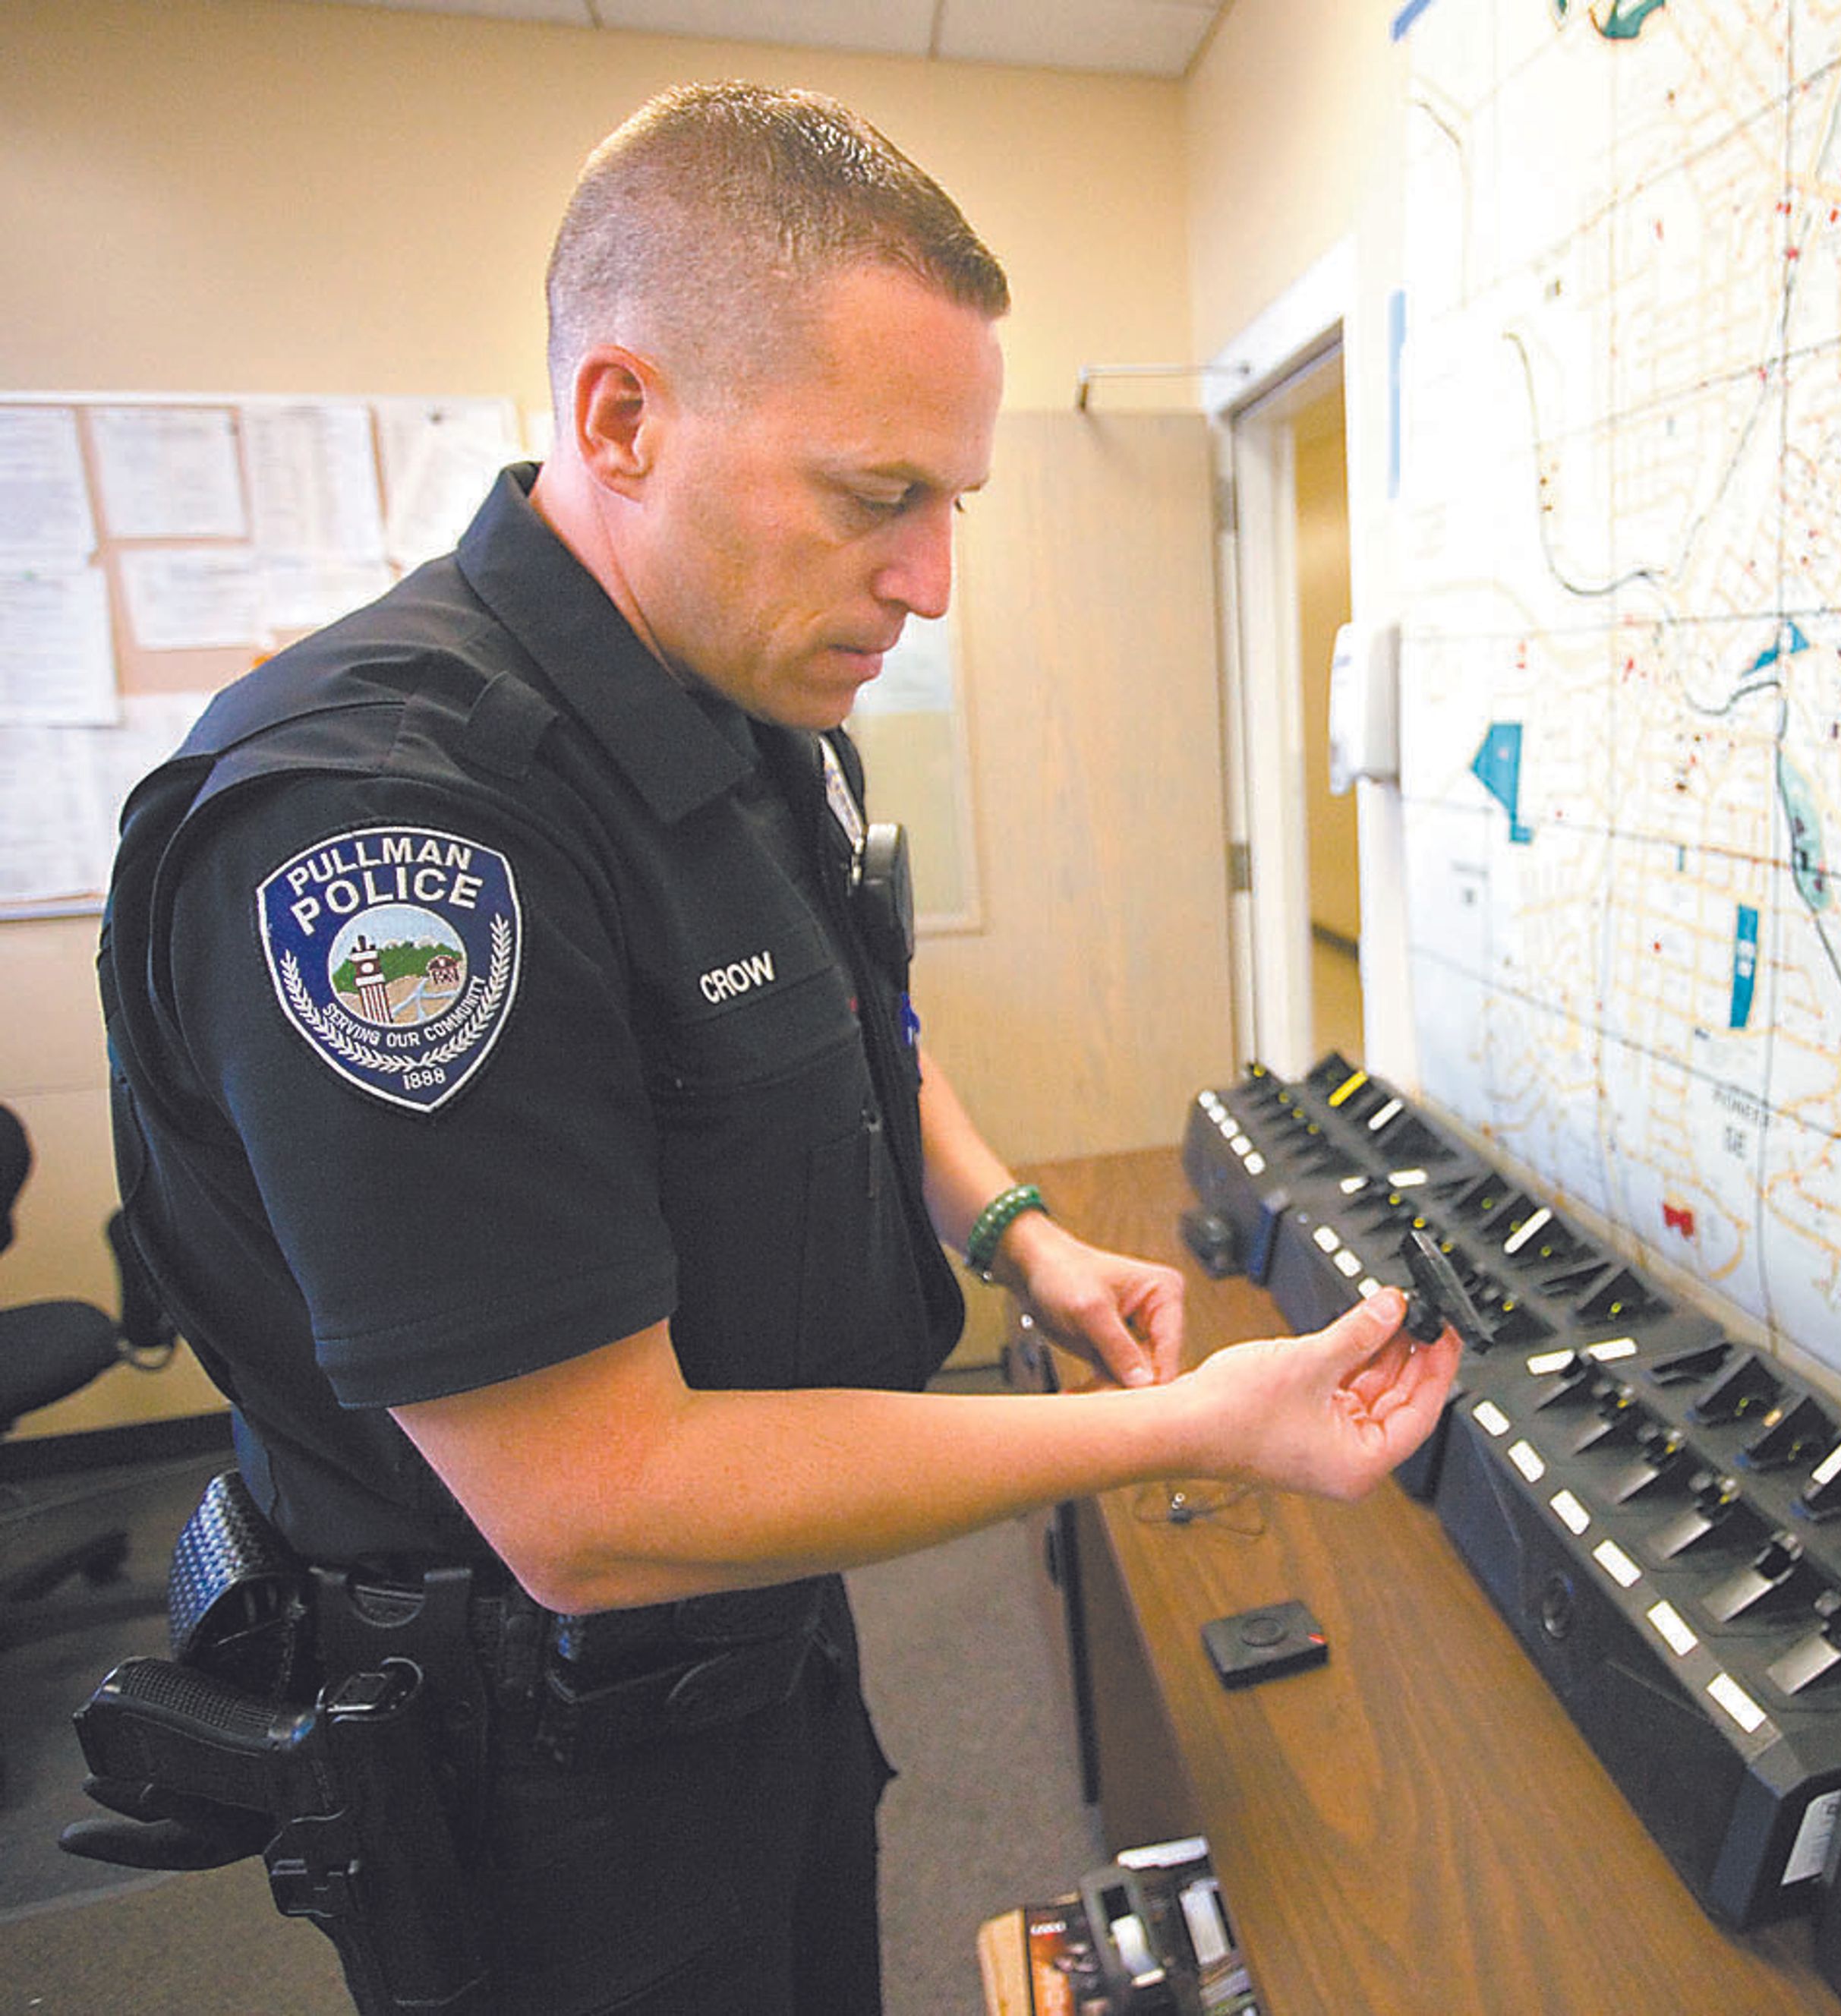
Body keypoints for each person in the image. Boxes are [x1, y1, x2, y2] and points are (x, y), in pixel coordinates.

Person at [92, 81, 1457, 2014]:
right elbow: (594, 1504)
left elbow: (850, 1027)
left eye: (951, 502)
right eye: (875, 494)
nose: (931, 579)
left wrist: (1019, 1238)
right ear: (622, 418)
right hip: (545, 1754)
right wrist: (1179, 1428)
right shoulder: (390, 839)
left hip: (761, 1628)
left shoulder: (737, 702)